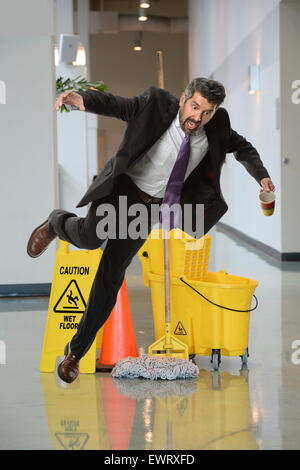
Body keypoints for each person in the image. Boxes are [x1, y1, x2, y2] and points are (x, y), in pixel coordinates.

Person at [27, 78, 275, 383]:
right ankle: (55, 223)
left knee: (110, 276)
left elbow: (243, 148)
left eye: (207, 112)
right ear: (184, 97)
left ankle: (75, 353)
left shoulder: (216, 126)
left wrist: (261, 176)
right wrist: (85, 101)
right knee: (89, 239)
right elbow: (121, 106)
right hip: (124, 190)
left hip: (148, 208)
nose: (197, 117)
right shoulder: (157, 104)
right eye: (195, 106)